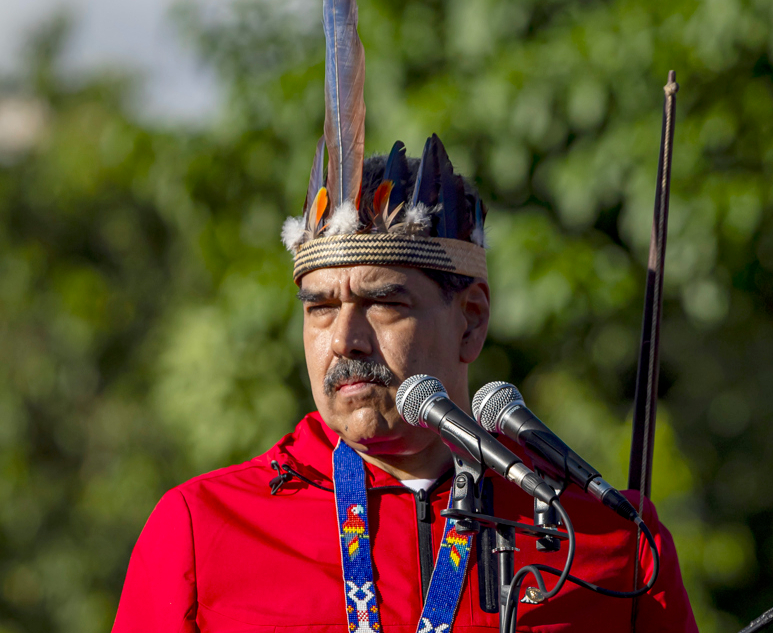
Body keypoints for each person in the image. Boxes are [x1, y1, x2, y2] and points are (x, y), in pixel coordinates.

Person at [111, 1, 698, 631]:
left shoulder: (602, 539)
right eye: (321, 307)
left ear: (470, 319)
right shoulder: (204, 527)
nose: (343, 338)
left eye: (384, 302)